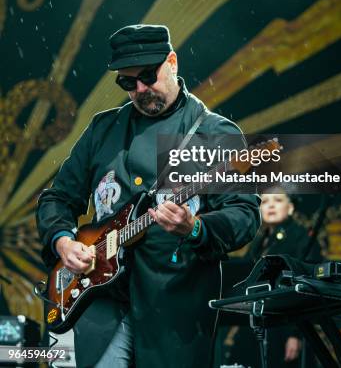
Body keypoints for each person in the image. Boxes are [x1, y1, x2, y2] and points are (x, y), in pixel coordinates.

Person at [36, 24, 261, 368]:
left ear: (172, 61)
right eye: (128, 82)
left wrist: (196, 228)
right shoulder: (103, 128)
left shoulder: (216, 134)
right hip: (101, 304)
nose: (141, 89)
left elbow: (245, 216)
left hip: (174, 310)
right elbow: (58, 198)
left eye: (148, 76)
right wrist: (63, 241)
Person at [222, 192, 321, 367]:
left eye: (278, 200)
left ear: (290, 208)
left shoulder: (302, 238)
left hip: (286, 323)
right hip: (260, 322)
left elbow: (307, 287)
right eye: (265, 201)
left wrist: (295, 334)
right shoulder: (259, 240)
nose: (271, 205)